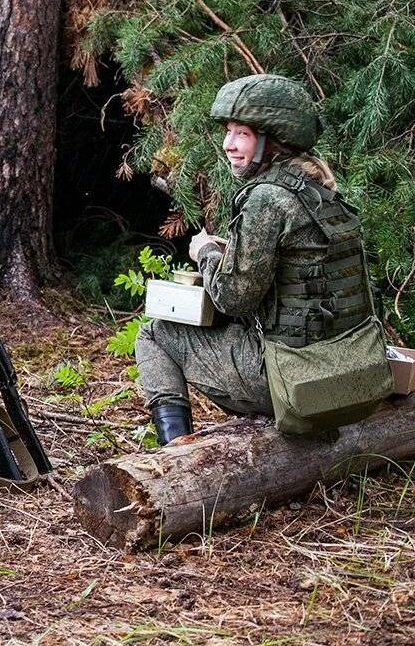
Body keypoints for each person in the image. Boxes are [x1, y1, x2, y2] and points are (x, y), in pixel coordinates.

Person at [135, 74, 375, 443]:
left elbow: (233, 299)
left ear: (272, 141)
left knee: (155, 332)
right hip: (352, 372)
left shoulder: (267, 197)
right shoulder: (318, 190)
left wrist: (208, 254)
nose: (229, 144)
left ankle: (173, 455)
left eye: (242, 134)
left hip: (296, 381)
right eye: (228, 132)